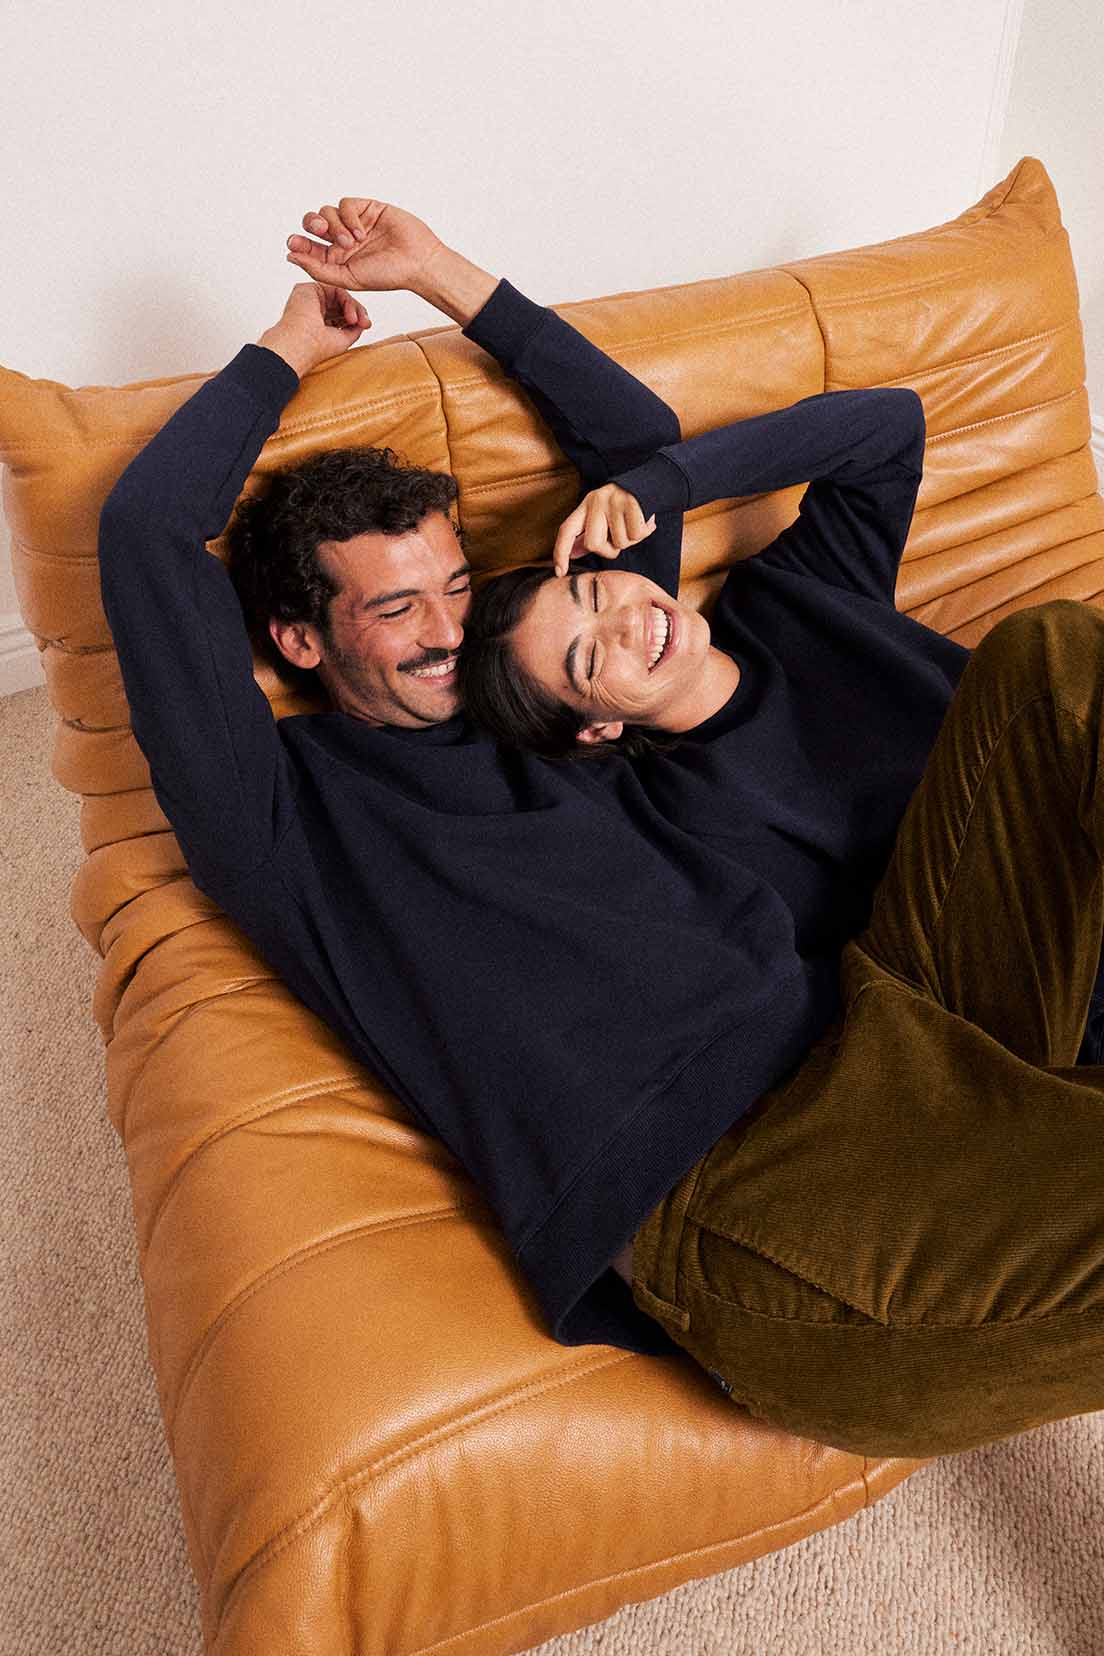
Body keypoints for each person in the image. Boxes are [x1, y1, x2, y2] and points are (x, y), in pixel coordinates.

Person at [97, 196, 1104, 1457]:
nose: (447, 631)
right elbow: (144, 532)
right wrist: (293, 345)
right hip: (740, 1192)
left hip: (888, 1032)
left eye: (454, 585)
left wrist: (440, 273)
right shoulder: (281, 815)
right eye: (396, 612)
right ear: (300, 643)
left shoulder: (558, 705)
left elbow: (634, 448)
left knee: (1053, 658)